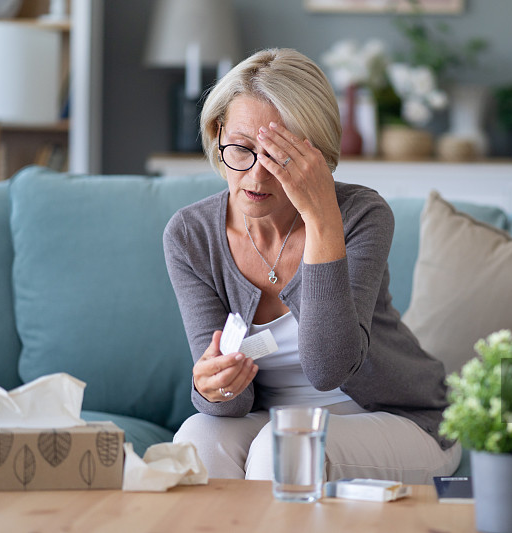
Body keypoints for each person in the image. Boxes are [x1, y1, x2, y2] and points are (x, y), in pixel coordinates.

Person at [163, 48, 460, 483]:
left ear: (314, 156)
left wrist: (321, 219)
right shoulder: (191, 235)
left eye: (278, 156)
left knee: (286, 445)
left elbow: (328, 368)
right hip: (271, 419)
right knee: (198, 437)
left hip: (395, 418)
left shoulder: (362, 214)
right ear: (217, 133)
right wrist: (213, 387)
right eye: (241, 149)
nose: (257, 176)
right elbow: (232, 403)